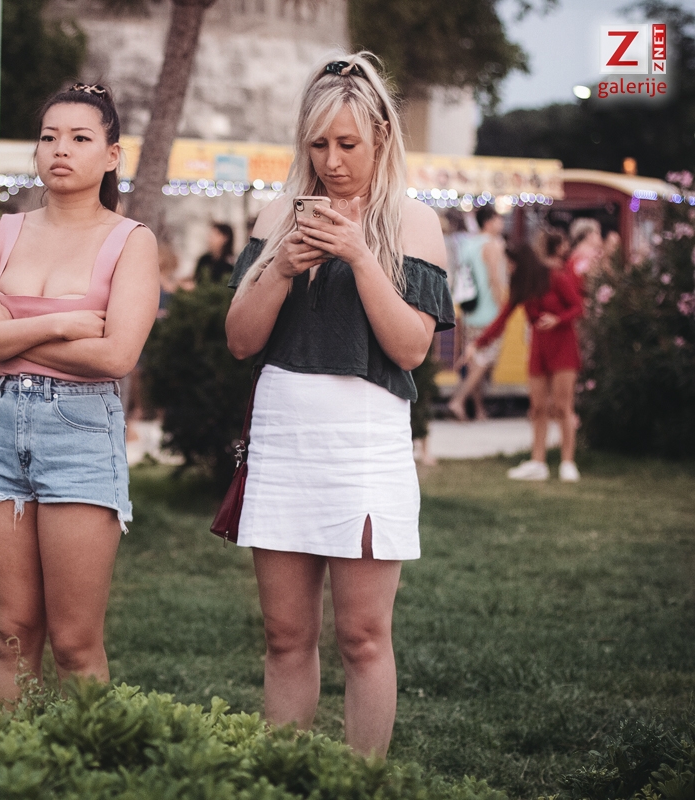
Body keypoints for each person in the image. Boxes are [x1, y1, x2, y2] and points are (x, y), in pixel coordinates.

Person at [223, 53, 454, 757]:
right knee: (284, 635)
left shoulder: (414, 223)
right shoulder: (276, 215)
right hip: (285, 433)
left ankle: (362, 783)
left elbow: (411, 348)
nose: (331, 162)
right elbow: (240, 340)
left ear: (381, 136)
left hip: (365, 439)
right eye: (318, 144)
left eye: (347, 144)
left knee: (363, 636)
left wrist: (359, 254)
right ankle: (288, 777)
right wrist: (279, 266)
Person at [0, 84, 159, 708]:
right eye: (48, 137)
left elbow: (116, 357)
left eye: (80, 138)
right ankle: (12, 760)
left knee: (74, 643)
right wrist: (63, 324)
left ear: (112, 155)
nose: (60, 149)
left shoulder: (131, 240)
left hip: (81, 431)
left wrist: (8, 332)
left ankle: (85, 760)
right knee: (12, 634)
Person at [468, 240, 583, 482]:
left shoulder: (555, 277)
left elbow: (577, 307)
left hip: (563, 347)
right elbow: (503, 319)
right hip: (539, 350)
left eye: (510, 263)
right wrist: (478, 343)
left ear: (521, 262)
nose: (508, 268)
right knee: (538, 408)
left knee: (562, 407)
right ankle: (538, 462)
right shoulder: (521, 286)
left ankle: (568, 462)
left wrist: (558, 319)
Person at [446, 205, 507, 421]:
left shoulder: (468, 244)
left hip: (470, 310)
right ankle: (458, 400)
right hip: (488, 311)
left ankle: (478, 410)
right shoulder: (491, 244)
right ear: (489, 222)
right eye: (499, 219)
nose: (502, 223)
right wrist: (502, 308)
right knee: (484, 360)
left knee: (475, 362)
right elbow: (495, 278)